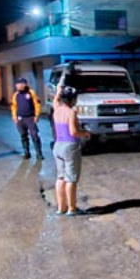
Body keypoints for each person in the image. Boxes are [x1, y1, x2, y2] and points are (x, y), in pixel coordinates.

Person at [52, 85, 91, 216]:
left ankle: (61, 208)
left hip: (57, 146)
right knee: (71, 179)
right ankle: (72, 209)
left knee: (60, 177)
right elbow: (73, 132)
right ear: (73, 99)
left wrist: (58, 89)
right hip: (70, 147)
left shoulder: (56, 109)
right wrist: (85, 133)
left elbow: (55, 99)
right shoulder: (71, 112)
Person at [11, 77, 43, 160]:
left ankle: (39, 153)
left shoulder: (31, 93)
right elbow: (14, 106)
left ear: (23, 84)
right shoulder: (16, 95)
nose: (16, 86)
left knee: (34, 135)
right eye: (16, 84)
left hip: (30, 118)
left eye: (18, 84)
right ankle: (26, 152)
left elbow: (37, 104)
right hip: (20, 119)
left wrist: (37, 115)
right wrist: (14, 117)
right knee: (23, 135)